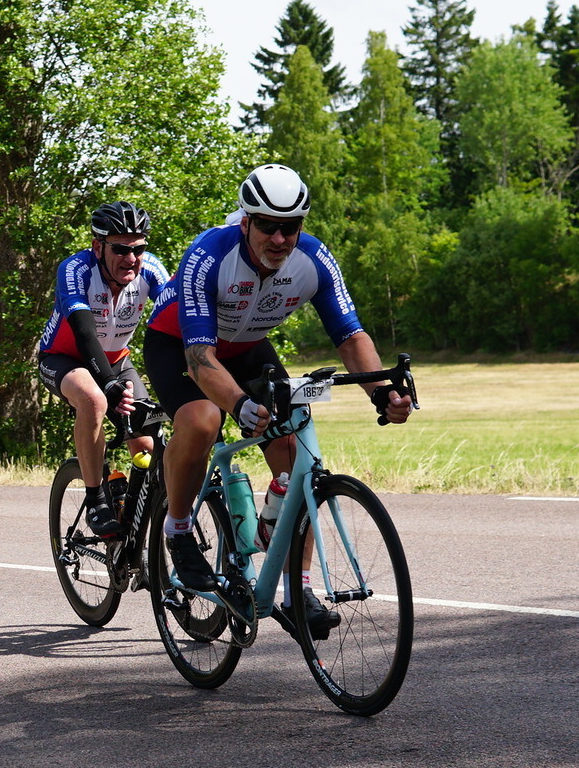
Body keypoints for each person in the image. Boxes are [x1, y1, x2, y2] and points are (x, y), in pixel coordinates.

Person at [142, 164, 413, 592]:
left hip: (247, 347)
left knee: (294, 442)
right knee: (203, 421)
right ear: (246, 222)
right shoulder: (209, 254)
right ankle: (177, 531)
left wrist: (383, 392)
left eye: (290, 228)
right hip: (179, 344)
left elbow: (349, 337)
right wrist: (239, 405)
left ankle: (297, 589)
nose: (279, 239)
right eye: (267, 226)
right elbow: (198, 358)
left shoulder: (314, 258)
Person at [34, 201, 169, 538]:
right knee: (93, 399)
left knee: (148, 446)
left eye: (138, 249)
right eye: (121, 249)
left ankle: (132, 519)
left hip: (117, 361)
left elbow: (176, 317)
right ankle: (96, 499)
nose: (131, 258)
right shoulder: (75, 269)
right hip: (64, 359)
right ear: (98, 247)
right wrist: (108, 384)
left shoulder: (151, 270)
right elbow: (84, 333)